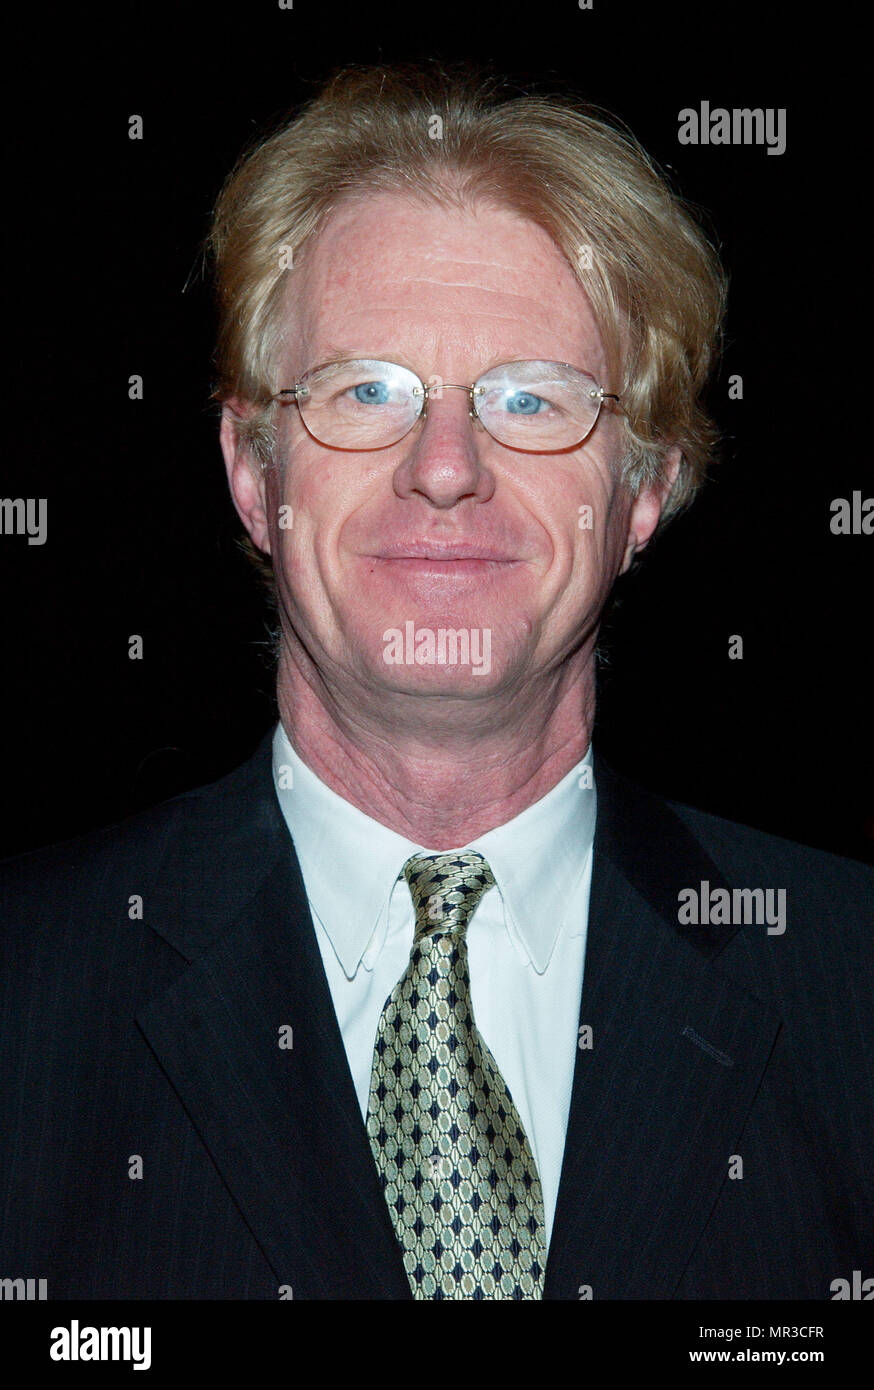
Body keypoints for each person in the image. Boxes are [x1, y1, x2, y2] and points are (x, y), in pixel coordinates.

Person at [1, 63, 871, 1302]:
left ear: (642, 490)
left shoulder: (849, 984)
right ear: (254, 475)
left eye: (532, 398)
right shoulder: (27, 995)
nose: (447, 468)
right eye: (366, 392)